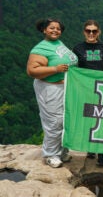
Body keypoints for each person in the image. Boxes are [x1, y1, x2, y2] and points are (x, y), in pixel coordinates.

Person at [26, 18, 78, 168]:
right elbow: (32, 71)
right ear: (44, 30)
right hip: (50, 88)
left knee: (64, 120)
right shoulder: (40, 49)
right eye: (51, 28)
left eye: (58, 28)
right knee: (54, 122)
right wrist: (55, 69)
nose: (55, 30)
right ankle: (50, 154)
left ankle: (61, 151)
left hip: (64, 87)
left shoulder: (58, 43)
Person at [72, 19, 103, 167]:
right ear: (84, 32)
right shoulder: (77, 48)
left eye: (94, 31)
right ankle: (90, 148)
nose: (91, 33)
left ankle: (101, 155)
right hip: (85, 88)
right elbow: (72, 68)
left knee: (100, 120)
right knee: (89, 119)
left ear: (98, 32)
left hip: (102, 89)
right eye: (88, 31)